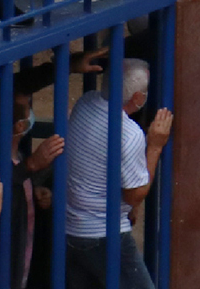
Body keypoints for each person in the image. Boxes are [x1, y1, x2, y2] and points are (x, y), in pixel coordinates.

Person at [65, 59, 173, 289]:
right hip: (103, 232)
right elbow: (134, 196)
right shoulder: (129, 134)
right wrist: (155, 146)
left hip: (70, 227)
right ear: (137, 98)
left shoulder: (86, 101)